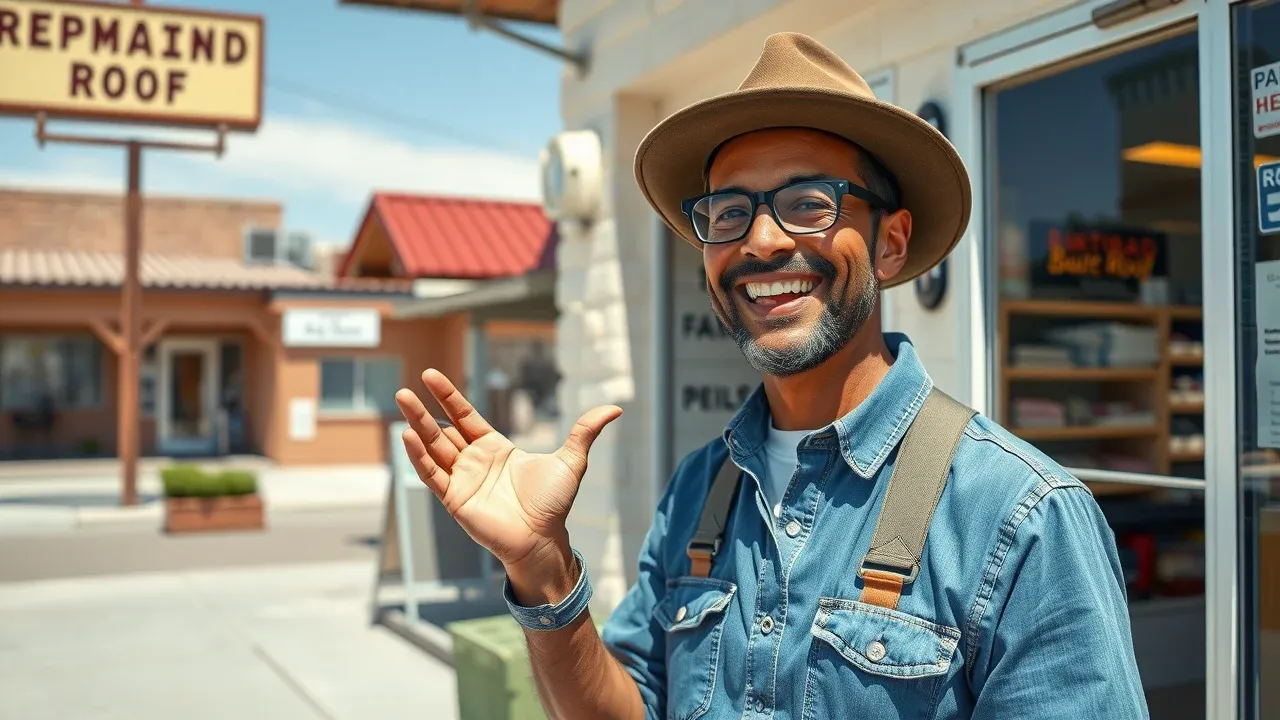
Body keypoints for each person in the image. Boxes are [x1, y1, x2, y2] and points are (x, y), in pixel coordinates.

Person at [395, 32, 1148, 720]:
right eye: (727, 212)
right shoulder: (699, 492)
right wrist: (545, 571)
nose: (759, 240)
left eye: (808, 203)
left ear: (891, 244)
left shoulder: (1020, 517)